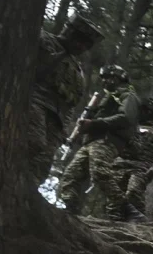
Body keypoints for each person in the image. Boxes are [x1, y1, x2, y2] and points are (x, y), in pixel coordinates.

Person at [29, 13, 104, 190]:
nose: (81, 47)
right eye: (79, 40)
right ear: (69, 32)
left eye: (86, 45)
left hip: (56, 121)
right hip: (34, 102)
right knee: (34, 142)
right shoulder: (43, 40)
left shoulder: (77, 71)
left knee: (42, 166)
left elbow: (72, 103)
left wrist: (63, 131)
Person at [60, 63, 141, 219]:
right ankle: (70, 211)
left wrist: (95, 123)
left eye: (109, 78)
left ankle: (127, 209)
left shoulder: (127, 95)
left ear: (119, 78)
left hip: (107, 140)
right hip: (91, 141)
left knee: (99, 173)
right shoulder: (106, 97)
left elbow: (126, 118)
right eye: (103, 78)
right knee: (71, 175)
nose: (105, 81)